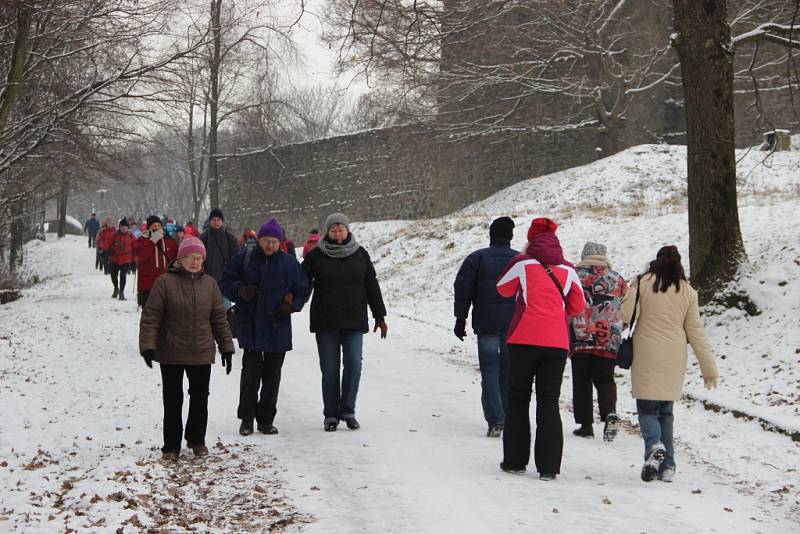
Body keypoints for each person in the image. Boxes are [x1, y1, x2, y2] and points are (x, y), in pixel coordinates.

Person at [495, 217, 585, 480]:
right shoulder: (569, 270)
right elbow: (578, 306)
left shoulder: (522, 264)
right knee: (549, 401)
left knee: (518, 398)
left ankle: (514, 460)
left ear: (530, 239)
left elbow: (502, 289)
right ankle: (548, 467)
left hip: (523, 338)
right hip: (556, 342)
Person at [620, 245, 719, 483]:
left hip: (647, 354)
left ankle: (654, 445)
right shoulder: (688, 291)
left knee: (646, 409)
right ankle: (667, 467)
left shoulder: (642, 283)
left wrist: (632, 290)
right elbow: (695, 332)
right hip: (675, 357)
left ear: (657, 261)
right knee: (665, 412)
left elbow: (625, 316)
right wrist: (709, 370)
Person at [139, 236, 235, 461]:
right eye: (190, 257)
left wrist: (227, 347)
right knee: (173, 400)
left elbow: (219, 318)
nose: (195, 262)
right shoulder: (164, 282)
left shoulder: (209, 284)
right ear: (180, 259)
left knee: (200, 398)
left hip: (201, 351)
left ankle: (196, 439)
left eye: (199, 258)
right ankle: (171, 445)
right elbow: (151, 317)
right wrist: (148, 346)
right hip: (171, 350)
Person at [220, 218, 309, 436]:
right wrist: (240, 290)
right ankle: (247, 419)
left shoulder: (289, 263)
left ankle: (266, 420)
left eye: (274, 241)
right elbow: (225, 282)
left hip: (277, 325)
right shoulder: (245, 258)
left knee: (272, 376)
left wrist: (292, 306)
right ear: (258, 240)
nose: (269, 245)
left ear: (280, 242)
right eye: (266, 240)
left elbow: (303, 289)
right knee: (251, 374)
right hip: (250, 323)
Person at [302, 213, 388, 432]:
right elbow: (300, 282)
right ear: (327, 232)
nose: (338, 234)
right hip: (326, 321)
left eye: (341, 229)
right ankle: (331, 414)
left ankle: (348, 410)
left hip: (353, 320)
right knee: (330, 369)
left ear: (348, 230)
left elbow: (371, 285)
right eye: (333, 230)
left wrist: (380, 316)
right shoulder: (317, 256)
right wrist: (290, 301)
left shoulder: (360, 254)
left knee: (353, 365)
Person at [453, 217, 519, 437]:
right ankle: (509, 417)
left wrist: (460, 319)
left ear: (491, 235)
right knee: (508, 372)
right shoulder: (520, 261)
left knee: (489, 370)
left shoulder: (476, 258)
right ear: (510, 237)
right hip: (514, 325)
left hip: (486, 322)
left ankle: (495, 419)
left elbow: (463, 291)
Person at [569, 242, 627, 441]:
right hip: (608, 335)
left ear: (584, 255)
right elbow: (623, 305)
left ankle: (586, 426)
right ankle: (609, 413)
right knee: (605, 378)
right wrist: (618, 328)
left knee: (582, 379)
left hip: (580, 334)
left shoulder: (574, 275)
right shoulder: (617, 278)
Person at [135, 215, 179, 307]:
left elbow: (176, 258)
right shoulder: (142, 240)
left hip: (165, 283)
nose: (156, 228)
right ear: (149, 227)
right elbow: (142, 255)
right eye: (154, 226)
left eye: (158, 226)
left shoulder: (169, 240)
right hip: (147, 285)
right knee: (148, 313)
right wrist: (152, 240)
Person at [198, 208, 239, 283]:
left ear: (222, 221)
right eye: (214, 219)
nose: (216, 222)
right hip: (206, 278)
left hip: (225, 279)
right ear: (210, 221)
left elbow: (236, 259)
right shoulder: (203, 237)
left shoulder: (230, 238)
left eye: (218, 219)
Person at [105, 218, 136, 300]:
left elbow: (135, 248)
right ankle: (116, 288)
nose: (124, 228)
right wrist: (106, 252)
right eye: (122, 226)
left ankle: (121, 293)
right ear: (120, 226)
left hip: (126, 260)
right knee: (113, 276)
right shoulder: (114, 235)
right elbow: (108, 244)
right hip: (115, 259)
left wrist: (134, 261)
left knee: (123, 276)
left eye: (125, 226)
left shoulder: (131, 236)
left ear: (127, 227)